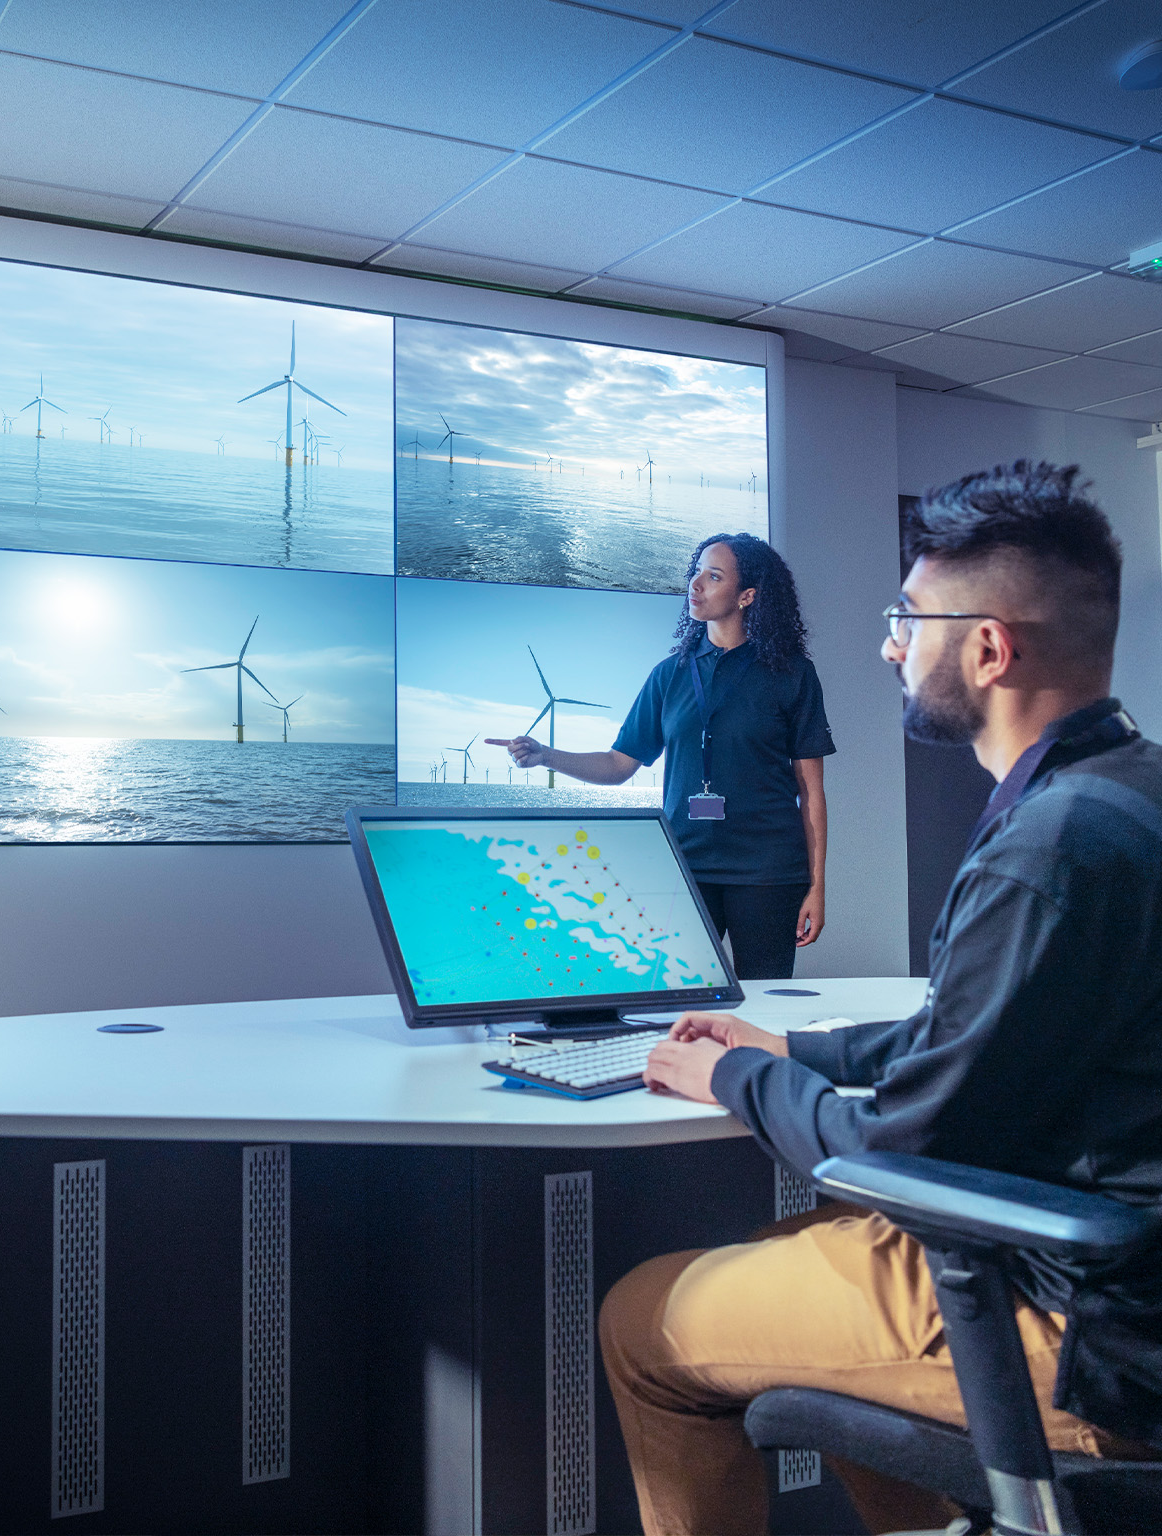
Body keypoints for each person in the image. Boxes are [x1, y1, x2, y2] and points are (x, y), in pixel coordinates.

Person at [598, 461, 1162, 1536]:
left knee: (642, 1321)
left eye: (909, 618)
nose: (890, 645)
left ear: (990, 648)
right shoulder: (1124, 795)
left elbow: (901, 1149)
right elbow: (992, 1029)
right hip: (1122, 1265)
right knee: (806, 1232)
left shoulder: (1044, 852)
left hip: (1096, 1332)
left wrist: (736, 1077)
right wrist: (801, 1051)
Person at [486, 533, 833, 980]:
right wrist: (546, 755)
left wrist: (817, 887)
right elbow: (617, 765)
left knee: (763, 1007)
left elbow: (812, 793)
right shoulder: (668, 674)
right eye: (695, 572)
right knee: (679, 1000)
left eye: (713, 575)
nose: (695, 584)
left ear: (748, 595)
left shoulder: (793, 675)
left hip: (768, 873)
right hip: (685, 868)